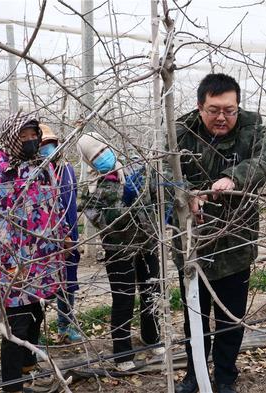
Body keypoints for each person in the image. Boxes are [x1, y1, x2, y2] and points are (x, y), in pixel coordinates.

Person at [171, 73, 266, 393]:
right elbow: (160, 175)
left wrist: (234, 178)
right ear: (199, 107)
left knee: (230, 319)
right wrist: (186, 194)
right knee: (194, 314)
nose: (222, 117)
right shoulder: (181, 132)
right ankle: (195, 375)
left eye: (230, 109)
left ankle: (224, 377)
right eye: (214, 110)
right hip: (193, 245)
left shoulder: (250, 128)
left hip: (236, 244)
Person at [0, 113, 68, 393]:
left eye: (34, 136)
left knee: (36, 316)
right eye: (24, 136)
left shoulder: (44, 169)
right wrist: (9, 258)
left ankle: (28, 370)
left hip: (43, 260)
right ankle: (12, 386)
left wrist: (63, 233)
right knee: (15, 327)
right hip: (14, 264)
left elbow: (55, 205)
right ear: (11, 139)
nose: (31, 141)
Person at [77, 132, 163, 372]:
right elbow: (101, 220)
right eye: (96, 156)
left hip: (146, 243)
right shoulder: (91, 189)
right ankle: (122, 353)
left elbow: (156, 195)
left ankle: (151, 337)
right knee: (123, 300)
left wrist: (149, 186)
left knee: (151, 291)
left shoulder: (134, 166)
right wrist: (122, 201)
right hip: (118, 250)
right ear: (89, 161)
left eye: (104, 150)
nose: (103, 157)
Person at [37, 124, 82, 343]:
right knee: (42, 287)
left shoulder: (67, 170)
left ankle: (65, 326)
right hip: (46, 240)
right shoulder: (35, 175)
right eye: (43, 145)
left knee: (68, 283)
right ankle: (36, 336)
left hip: (69, 236)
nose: (47, 149)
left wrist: (71, 235)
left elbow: (71, 202)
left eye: (50, 144)